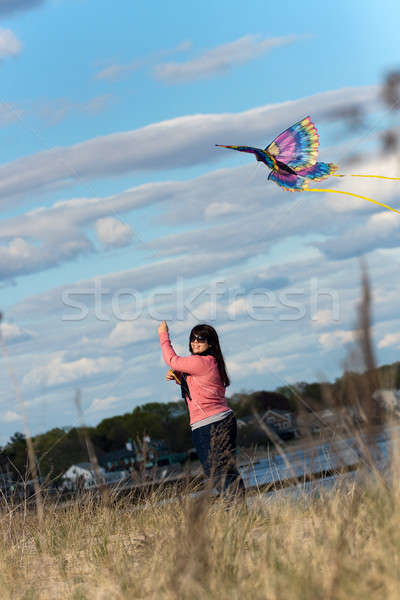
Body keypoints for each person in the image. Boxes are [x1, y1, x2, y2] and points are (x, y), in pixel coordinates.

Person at [158, 320, 245, 500]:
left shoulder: (201, 362)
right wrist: (179, 376)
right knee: (225, 469)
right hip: (218, 421)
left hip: (210, 424)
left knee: (217, 472)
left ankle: (236, 509)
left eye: (200, 339)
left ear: (210, 343)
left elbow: (171, 360)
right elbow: (200, 388)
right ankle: (239, 509)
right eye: (192, 339)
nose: (195, 342)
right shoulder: (210, 362)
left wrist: (163, 335)